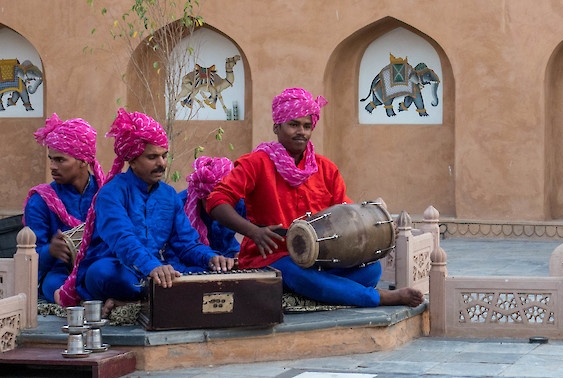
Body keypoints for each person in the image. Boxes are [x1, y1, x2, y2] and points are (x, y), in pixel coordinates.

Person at [207, 87, 424, 308]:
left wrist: (379, 229)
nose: (301, 131)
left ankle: (319, 290)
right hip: (271, 258)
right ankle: (378, 297)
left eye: (306, 126)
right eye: (293, 124)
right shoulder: (256, 163)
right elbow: (216, 201)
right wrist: (253, 232)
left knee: (371, 269)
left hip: (321, 260)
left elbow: (348, 215)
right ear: (276, 127)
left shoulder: (326, 169)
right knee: (295, 273)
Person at [55, 108, 235, 312]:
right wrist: (152, 267)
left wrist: (210, 257)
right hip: (120, 266)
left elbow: (186, 244)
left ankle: (136, 302)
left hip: (160, 269)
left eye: (164, 156)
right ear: (132, 160)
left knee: (203, 275)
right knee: (105, 274)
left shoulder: (168, 195)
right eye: (153, 157)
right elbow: (123, 239)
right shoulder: (111, 193)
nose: (162, 164)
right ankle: (151, 297)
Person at [23, 114, 105, 303]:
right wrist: (49, 251)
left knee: (107, 274)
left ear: (83, 161)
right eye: (51, 159)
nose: (52, 167)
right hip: (60, 272)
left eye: (60, 160)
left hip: (99, 265)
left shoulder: (106, 195)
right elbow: (29, 260)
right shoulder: (40, 201)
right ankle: (96, 300)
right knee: (54, 285)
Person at [179, 156, 246, 258]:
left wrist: (241, 254)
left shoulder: (238, 202)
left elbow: (256, 229)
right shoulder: (181, 205)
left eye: (223, 201)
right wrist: (210, 258)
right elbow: (180, 246)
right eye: (210, 200)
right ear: (202, 194)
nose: (217, 206)